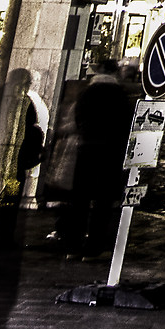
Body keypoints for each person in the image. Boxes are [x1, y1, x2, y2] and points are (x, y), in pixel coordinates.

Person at [60, 52, 132, 257]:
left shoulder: (87, 93)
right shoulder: (119, 94)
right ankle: (94, 247)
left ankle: (73, 246)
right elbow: (126, 123)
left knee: (80, 199)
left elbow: (78, 117)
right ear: (115, 72)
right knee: (103, 201)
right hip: (110, 151)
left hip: (86, 149)